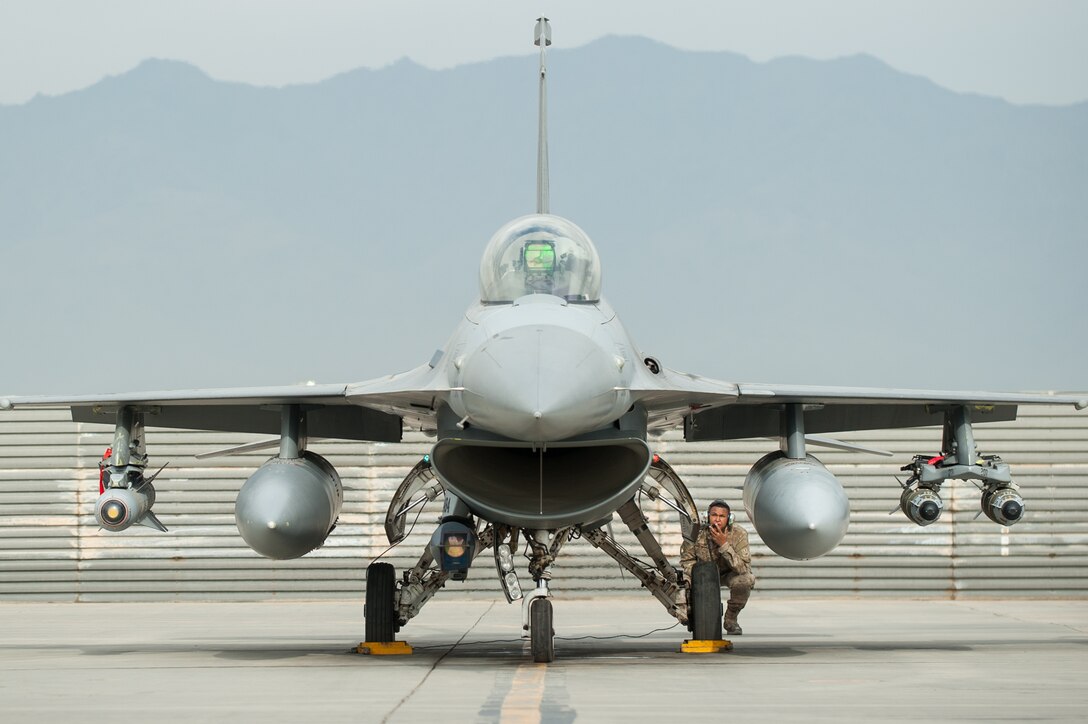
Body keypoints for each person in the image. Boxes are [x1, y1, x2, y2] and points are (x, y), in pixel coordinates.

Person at [680, 500, 755, 635]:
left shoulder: (739, 534)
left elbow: (743, 568)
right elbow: (687, 560)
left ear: (729, 519)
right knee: (681, 584)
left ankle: (730, 619)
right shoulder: (696, 533)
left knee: (746, 579)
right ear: (707, 516)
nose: (718, 520)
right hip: (702, 574)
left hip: (727, 574)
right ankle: (689, 615)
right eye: (714, 515)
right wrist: (698, 576)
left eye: (722, 516)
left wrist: (724, 545)